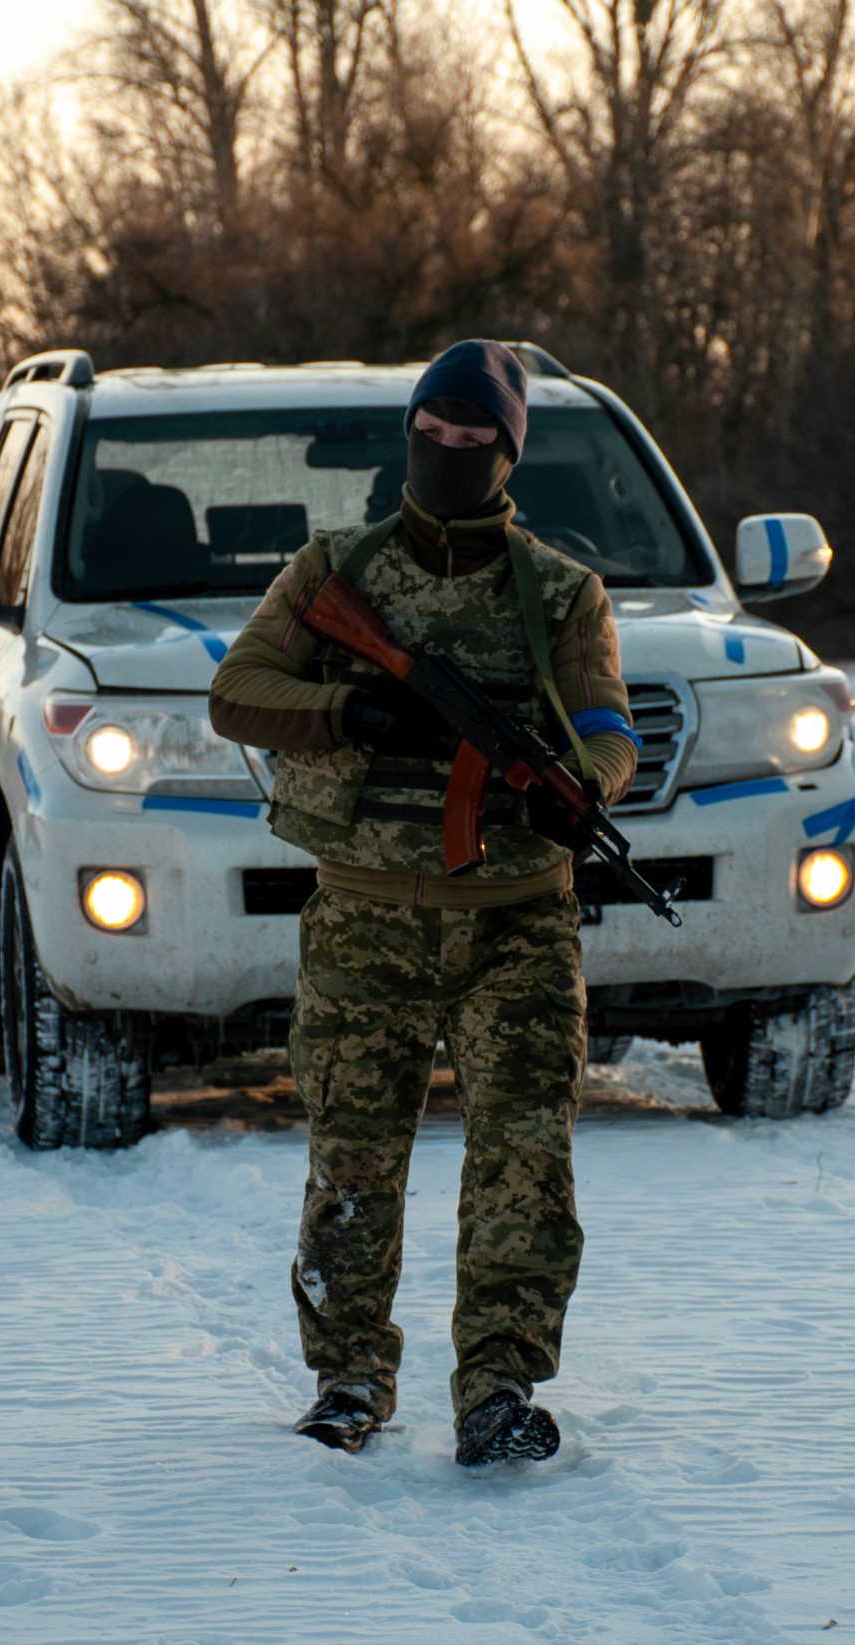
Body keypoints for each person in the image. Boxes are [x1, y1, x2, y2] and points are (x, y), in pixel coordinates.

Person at [207, 340, 642, 1466]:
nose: (448, 453)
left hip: (517, 921)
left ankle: (498, 1385)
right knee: (353, 1158)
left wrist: (580, 785)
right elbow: (237, 691)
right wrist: (355, 713)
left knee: (522, 1160)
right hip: (364, 918)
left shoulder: (558, 590)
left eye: (474, 440)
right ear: (410, 435)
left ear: (508, 454)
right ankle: (349, 1376)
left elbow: (607, 721)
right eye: (432, 434)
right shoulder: (330, 574)